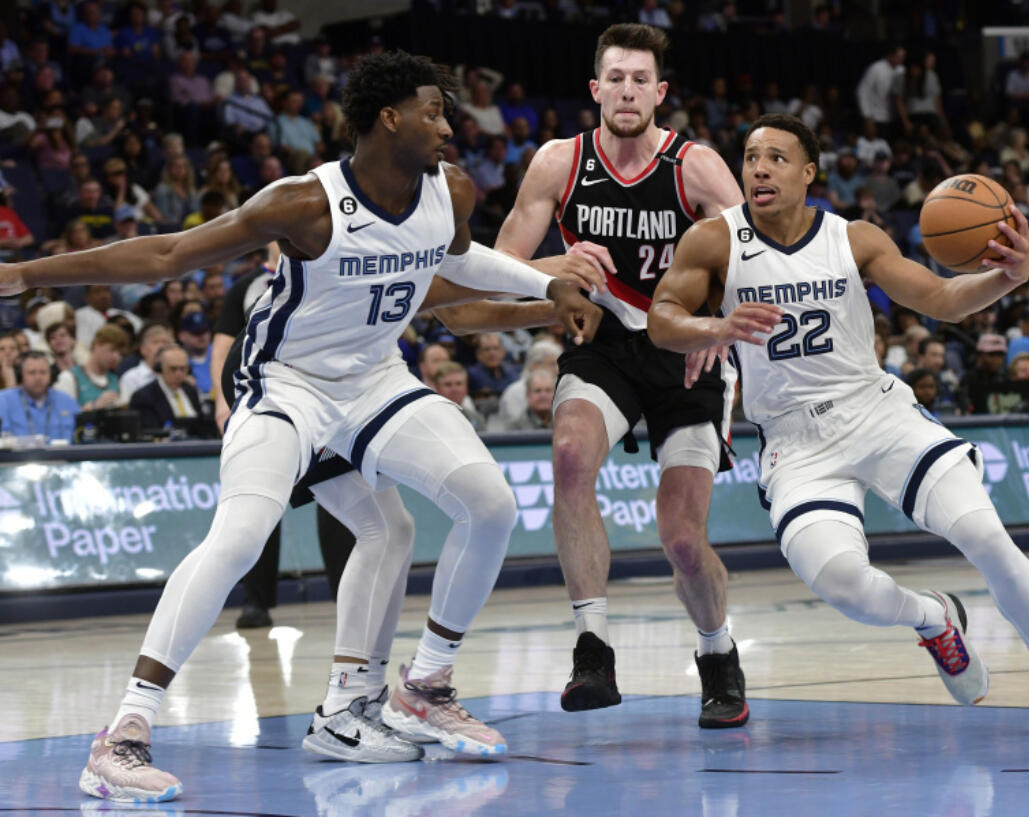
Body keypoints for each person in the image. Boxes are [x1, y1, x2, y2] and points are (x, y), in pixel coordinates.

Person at [0, 50, 601, 802]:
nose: (449, 127)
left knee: (486, 503)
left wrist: (548, 282)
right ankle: (123, 732)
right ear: (389, 117)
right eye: (433, 111)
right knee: (243, 535)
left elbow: (461, 260)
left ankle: (405, 690)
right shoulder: (304, 204)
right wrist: (25, 274)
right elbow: (167, 254)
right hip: (285, 385)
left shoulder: (450, 188)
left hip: (375, 379)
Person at [647, 113, 1029, 742]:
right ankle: (933, 618)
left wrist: (1008, 277)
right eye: (752, 156)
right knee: (843, 584)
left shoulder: (854, 238)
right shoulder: (712, 241)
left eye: (777, 158)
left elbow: (942, 300)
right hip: (793, 440)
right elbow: (661, 320)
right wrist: (714, 327)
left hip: (876, 410)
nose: (759, 167)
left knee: (985, 534)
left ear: (809, 172)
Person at [494, 23, 751, 727]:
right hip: (603, 340)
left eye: (642, 79)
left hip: (683, 349)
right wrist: (554, 270)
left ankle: (718, 652)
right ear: (596, 88)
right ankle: (593, 645)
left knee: (680, 537)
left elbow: (755, 256)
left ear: (660, 92)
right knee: (571, 453)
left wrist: (716, 322)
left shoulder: (694, 165)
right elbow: (498, 263)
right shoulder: (558, 162)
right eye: (617, 77)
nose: (629, 89)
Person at [129, 344, 212, 436]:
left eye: (183, 368)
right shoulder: (144, 396)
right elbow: (150, 431)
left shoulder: (191, 390)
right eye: (173, 369)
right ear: (160, 368)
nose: (178, 374)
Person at [0, 351, 80, 439]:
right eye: (32, 372)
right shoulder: (3, 401)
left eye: (43, 372)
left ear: (51, 375)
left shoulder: (66, 401)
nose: (38, 378)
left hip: (61, 453)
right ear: (21, 375)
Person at [53, 323, 126, 411]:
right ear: (96, 345)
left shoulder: (116, 380)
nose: (116, 357)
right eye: (112, 350)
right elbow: (61, 417)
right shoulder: (69, 378)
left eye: (120, 353)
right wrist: (93, 406)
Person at [119, 322, 172, 402]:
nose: (161, 346)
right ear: (143, 349)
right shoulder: (131, 378)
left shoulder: (176, 375)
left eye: (165, 342)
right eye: (155, 342)